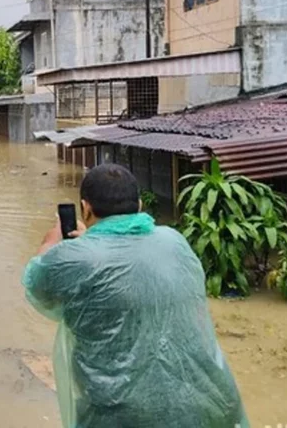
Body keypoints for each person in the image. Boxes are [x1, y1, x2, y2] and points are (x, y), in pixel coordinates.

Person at [22, 164, 249, 428]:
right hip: (214, 407)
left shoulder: (72, 258)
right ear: (140, 205)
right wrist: (93, 242)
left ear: (85, 208)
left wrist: (50, 242)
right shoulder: (174, 241)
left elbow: (35, 286)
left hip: (122, 417)